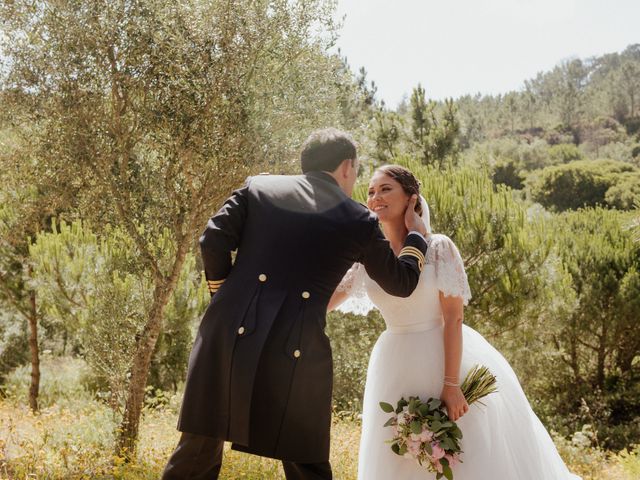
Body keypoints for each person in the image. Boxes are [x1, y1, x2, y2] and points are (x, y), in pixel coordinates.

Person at [162, 129, 429, 480]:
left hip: (226, 331)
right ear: (347, 167)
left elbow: (212, 240)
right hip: (296, 346)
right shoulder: (358, 220)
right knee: (306, 460)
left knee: (197, 449)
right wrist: (416, 237)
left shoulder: (258, 187)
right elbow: (402, 282)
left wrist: (224, 297)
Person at [330, 165, 581, 479]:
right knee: (399, 454)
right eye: (370, 191)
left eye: (385, 189)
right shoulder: (368, 257)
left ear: (411, 199)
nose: (375, 197)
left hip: (443, 357)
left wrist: (451, 386)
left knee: (463, 454)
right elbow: (324, 300)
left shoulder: (438, 248)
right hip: (393, 365)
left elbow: (453, 317)